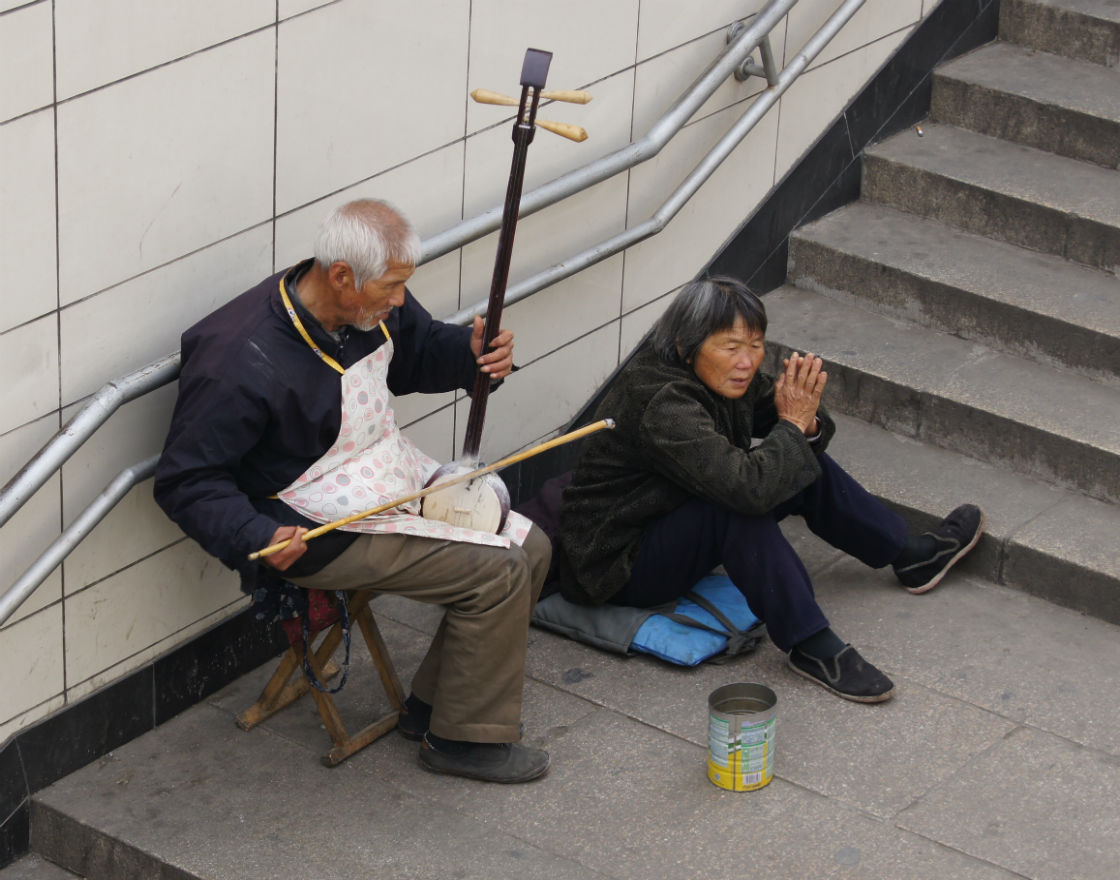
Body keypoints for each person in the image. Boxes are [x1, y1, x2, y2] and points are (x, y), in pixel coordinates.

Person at [154, 198, 551, 783]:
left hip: (383, 471)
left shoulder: (369, 304)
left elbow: (418, 353)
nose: (398, 300)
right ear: (341, 275)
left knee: (532, 544)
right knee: (497, 572)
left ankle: (434, 707)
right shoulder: (240, 356)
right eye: (391, 288)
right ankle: (461, 743)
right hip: (311, 521)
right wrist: (256, 535)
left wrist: (472, 356)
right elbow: (187, 479)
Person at [555, 276, 984, 702]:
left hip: (671, 514)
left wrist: (807, 421)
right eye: (731, 347)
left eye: (756, 345)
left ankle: (908, 556)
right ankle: (809, 643)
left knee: (800, 460)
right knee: (739, 506)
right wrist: (794, 428)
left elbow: (789, 430)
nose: (747, 362)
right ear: (686, 347)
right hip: (618, 563)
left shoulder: (725, 375)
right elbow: (748, 491)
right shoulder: (661, 401)